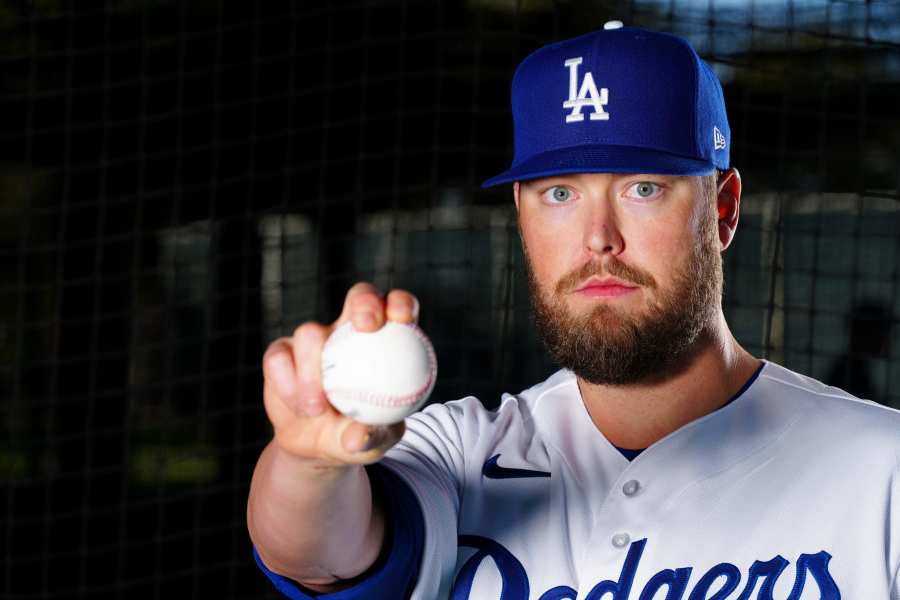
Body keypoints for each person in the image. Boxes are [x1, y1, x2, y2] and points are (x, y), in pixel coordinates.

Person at [247, 24, 900, 599]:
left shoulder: (884, 472)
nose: (599, 238)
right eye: (560, 193)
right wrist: (312, 461)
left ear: (723, 209)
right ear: (521, 216)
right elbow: (318, 555)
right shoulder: (457, 453)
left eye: (644, 189)